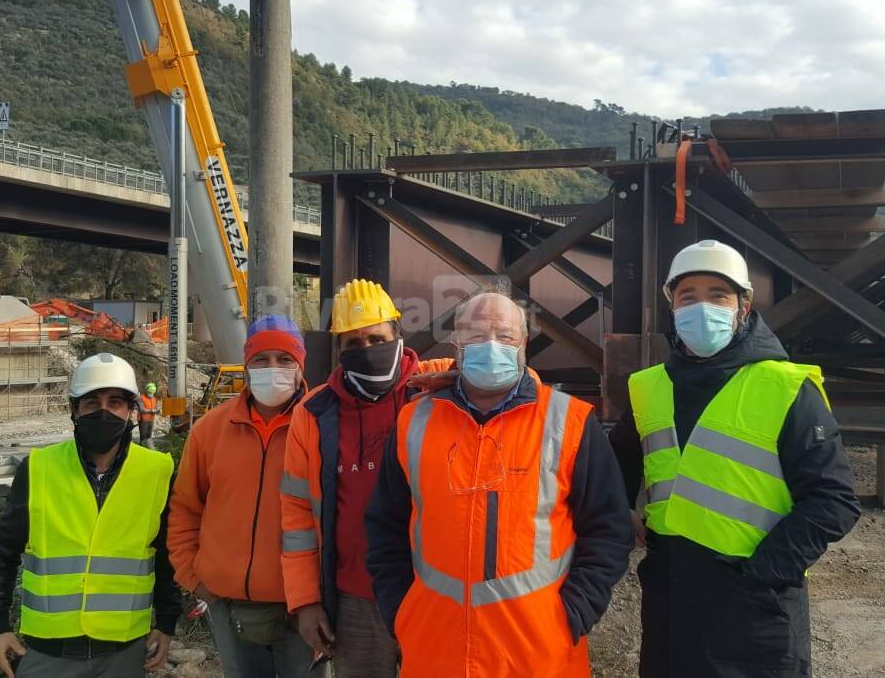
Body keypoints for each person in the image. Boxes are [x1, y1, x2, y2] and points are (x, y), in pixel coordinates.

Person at [612, 239, 861, 677]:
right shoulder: (647, 387)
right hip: (671, 593)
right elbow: (616, 466)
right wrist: (619, 509)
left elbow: (833, 501)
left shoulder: (785, 387)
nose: (702, 307)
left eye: (718, 295)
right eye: (688, 296)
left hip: (754, 602)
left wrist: (759, 577)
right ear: (672, 306)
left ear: (743, 306)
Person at [364, 290, 633, 677]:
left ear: (523, 343)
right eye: (475, 336)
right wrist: (401, 608)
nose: (491, 346)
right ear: (455, 345)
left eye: (505, 336)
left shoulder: (569, 423)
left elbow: (608, 528)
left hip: (538, 654)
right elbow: (385, 526)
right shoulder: (413, 423)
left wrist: (574, 612)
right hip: (434, 649)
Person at [280, 279, 449, 676]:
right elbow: (297, 516)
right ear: (339, 351)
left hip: (435, 593)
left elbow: (518, 378)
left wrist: (465, 380)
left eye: (376, 338)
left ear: (398, 336)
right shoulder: (315, 412)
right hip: (356, 601)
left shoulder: (438, 386)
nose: (367, 350)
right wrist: (305, 601)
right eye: (353, 344)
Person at [0, 353, 179, 678]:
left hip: (123, 653)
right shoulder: (39, 468)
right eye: (91, 402)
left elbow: (166, 557)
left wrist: (167, 622)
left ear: (131, 411)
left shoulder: (158, 471)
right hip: (48, 652)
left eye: (115, 402)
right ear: (74, 410)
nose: (104, 411)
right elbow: (1, 553)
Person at [168, 315, 323, 677]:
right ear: (247, 366)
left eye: (284, 360)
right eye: (261, 360)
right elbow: (185, 510)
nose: (273, 370)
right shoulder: (210, 430)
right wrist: (196, 578)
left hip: (302, 608)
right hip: (228, 605)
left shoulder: (321, 424)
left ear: (301, 366)